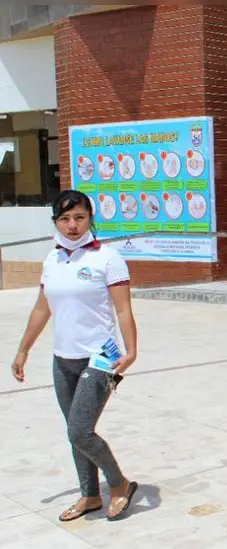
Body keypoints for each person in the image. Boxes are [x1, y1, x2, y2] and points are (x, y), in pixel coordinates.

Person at [10, 190, 139, 522]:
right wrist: (23, 349)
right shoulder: (52, 259)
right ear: (55, 221)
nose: (72, 226)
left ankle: (120, 484)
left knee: (79, 431)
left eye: (79, 217)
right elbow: (43, 308)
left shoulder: (106, 258)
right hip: (62, 357)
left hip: (99, 357)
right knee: (74, 430)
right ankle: (90, 495)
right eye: (64, 219)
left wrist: (132, 350)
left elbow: (123, 309)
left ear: (90, 218)